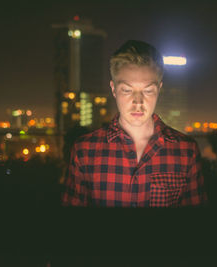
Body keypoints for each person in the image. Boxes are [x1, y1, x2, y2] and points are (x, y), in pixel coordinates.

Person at [62, 40, 206, 207]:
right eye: (127, 90)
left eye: (147, 90)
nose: (138, 102)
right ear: (114, 89)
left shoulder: (185, 151)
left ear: (159, 89)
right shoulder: (85, 151)